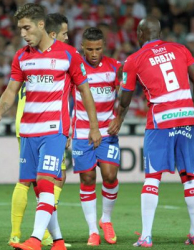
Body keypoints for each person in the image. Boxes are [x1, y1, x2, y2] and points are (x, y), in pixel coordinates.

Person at [0, 4, 101, 250]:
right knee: (38, 187)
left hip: (54, 129)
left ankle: (35, 239)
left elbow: (84, 90)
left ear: (41, 26)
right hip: (28, 130)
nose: (23, 34)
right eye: (20, 29)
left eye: (26, 28)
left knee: (45, 182)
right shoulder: (22, 56)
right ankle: (58, 241)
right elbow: (11, 90)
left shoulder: (68, 54)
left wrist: (94, 127)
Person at [108, 17, 194, 247]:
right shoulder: (181, 49)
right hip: (186, 117)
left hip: (161, 121)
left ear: (141, 33)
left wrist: (119, 118)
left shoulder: (134, 59)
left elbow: (125, 99)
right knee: (190, 176)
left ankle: (146, 236)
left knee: (152, 177)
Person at [8, 12, 71, 248]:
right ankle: (39, 235)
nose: (67, 37)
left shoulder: (60, 57)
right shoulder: (37, 56)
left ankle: (49, 238)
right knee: (47, 180)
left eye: (26, 28)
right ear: (52, 33)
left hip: (33, 125)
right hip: (37, 126)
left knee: (36, 181)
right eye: (64, 34)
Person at [72, 27, 121, 246]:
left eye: (98, 49)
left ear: (104, 47)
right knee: (88, 178)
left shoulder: (114, 67)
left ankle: (106, 220)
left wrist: (118, 117)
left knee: (110, 176)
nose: (94, 53)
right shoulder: (75, 67)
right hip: (82, 132)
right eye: (90, 49)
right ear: (82, 47)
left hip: (107, 132)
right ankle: (93, 230)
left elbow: (126, 94)